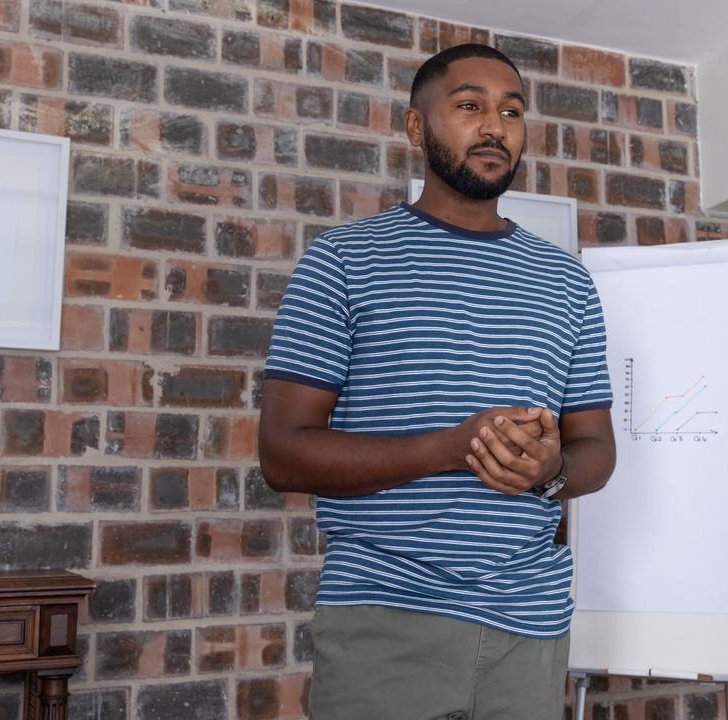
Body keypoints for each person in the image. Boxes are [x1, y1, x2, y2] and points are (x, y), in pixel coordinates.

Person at [258, 43, 616, 720]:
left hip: (530, 629)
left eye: (512, 111)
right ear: (417, 128)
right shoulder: (344, 261)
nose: (495, 127)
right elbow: (281, 454)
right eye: (470, 106)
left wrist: (551, 468)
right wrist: (455, 448)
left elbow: (596, 450)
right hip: (386, 622)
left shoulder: (566, 282)